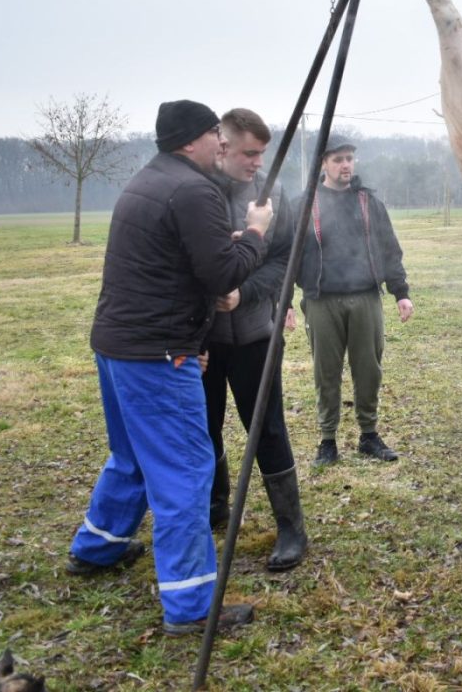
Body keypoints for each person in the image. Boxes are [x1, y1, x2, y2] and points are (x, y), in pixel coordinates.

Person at [67, 99, 272, 636]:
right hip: (158, 356)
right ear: (190, 141)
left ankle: (97, 547)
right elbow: (219, 275)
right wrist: (254, 233)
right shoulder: (194, 189)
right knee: (183, 472)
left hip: (117, 346)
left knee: (131, 454)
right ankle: (191, 606)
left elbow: (168, 266)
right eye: (215, 136)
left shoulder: (148, 182)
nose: (222, 145)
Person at [203, 108, 308, 572]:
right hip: (201, 338)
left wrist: (244, 293)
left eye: (262, 154)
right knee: (203, 427)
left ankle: (291, 527)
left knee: (266, 428)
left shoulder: (275, 194)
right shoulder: (195, 189)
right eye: (249, 153)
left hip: (255, 335)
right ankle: (215, 504)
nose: (256, 163)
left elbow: (284, 259)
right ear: (222, 144)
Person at [295, 134, 414, 466]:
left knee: (368, 369)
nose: (345, 165)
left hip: (365, 298)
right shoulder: (305, 204)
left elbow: (390, 249)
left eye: (349, 158)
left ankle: (368, 434)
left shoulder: (369, 203)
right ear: (324, 163)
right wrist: (284, 302)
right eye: (338, 159)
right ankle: (327, 440)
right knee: (326, 372)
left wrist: (401, 293)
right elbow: (288, 254)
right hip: (321, 301)